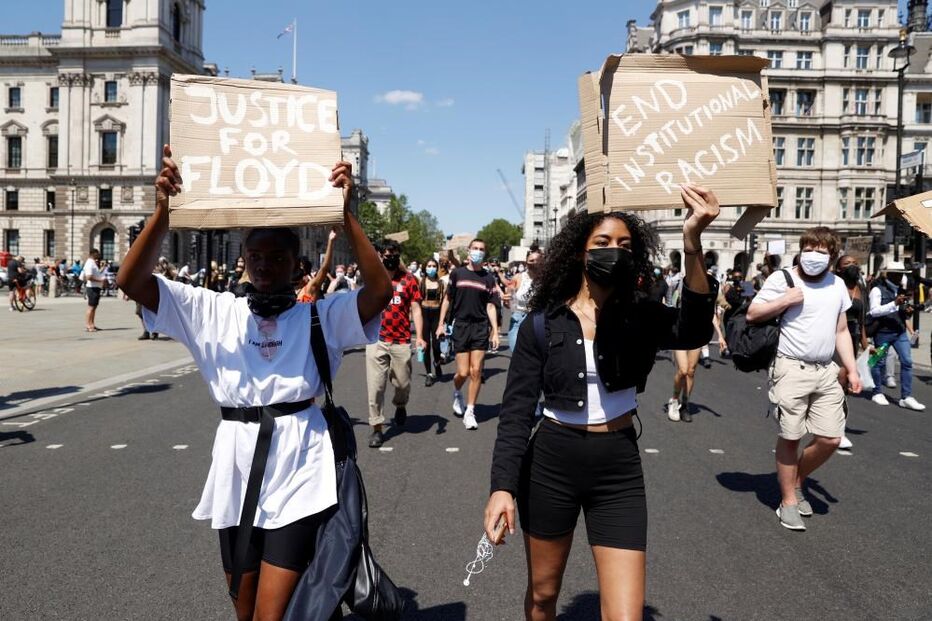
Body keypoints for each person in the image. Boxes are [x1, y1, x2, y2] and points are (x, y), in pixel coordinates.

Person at [117, 145, 390, 620]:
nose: (265, 266)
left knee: (271, 614)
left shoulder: (319, 316)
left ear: (296, 264)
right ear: (243, 259)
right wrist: (163, 212)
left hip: (299, 465)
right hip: (236, 464)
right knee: (242, 610)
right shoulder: (212, 310)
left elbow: (380, 292)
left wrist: (347, 218)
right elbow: (131, 281)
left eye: (278, 258)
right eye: (256, 256)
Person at [484, 184, 720, 621]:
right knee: (542, 596)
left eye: (625, 245)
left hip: (618, 467)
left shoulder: (641, 315)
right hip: (551, 463)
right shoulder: (542, 324)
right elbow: (516, 413)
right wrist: (502, 488)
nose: (615, 251)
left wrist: (692, 241)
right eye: (603, 243)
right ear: (580, 252)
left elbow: (694, 329)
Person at [747, 227, 862, 531]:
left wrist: (851, 368)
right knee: (791, 435)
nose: (813, 255)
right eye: (809, 248)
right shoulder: (783, 279)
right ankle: (788, 501)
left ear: (831, 256)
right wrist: (784, 300)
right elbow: (753, 313)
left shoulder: (837, 285)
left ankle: (797, 480)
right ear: (800, 250)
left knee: (831, 438)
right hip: (790, 368)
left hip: (825, 369)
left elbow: (840, 331)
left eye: (821, 251)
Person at [366, 240, 426, 448]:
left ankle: (400, 405)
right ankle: (377, 428)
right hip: (376, 339)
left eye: (395, 254)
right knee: (376, 387)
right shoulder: (372, 278)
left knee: (402, 383)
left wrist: (419, 336)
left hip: (401, 340)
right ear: (380, 255)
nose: (391, 257)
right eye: (387, 254)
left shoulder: (409, 280)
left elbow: (416, 309)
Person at [436, 239, 499, 430]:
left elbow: (490, 305)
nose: (478, 252)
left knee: (476, 370)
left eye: (481, 249)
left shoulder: (488, 278)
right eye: (475, 249)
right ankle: (457, 392)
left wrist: (495, 331)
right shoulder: (458, 274)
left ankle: (470, 411)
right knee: (463, 372)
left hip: (480, 327)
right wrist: (441, 324)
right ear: (469, 251)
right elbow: (447, 299)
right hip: (461, 325)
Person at [867, 261, 925, 410]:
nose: (901, 277)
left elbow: (902, 312)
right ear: (889, 274)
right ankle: (877, 391)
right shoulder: (877, 290)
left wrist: (907, 311)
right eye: (898, 274)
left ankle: (906, 397)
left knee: (907, 361)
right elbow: (873, 311)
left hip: (899, 332)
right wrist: (894, 303)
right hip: (883, 333)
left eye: (902, 274)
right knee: (878, 362)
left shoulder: (901, 290)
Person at [835, 255, 868, 450]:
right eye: (847, 264)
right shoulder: (834, 286)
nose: (852, 266)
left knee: (844, 383)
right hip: (834, 337)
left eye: (855, 263)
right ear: (838, 268)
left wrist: (865, 344)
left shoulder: (861, 289)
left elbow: (862, 319)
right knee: (839, 380)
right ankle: (837, 429)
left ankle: (837, 427)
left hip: (853, 338)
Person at [507, 248, 542, 352]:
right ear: (526, 262)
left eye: (538, 260)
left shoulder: (547, 280)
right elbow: (510, 302)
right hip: (519, 318)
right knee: (517, 353)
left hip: (538, 319)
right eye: (531, 260)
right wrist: (507, 300)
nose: (535, 263)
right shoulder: (517, 278)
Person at [419, 257, 445, 386]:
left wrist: (443, 321)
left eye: (434, 266)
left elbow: (445, 301)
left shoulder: (441, 283)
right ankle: (429, 373)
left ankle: (437, 363)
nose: (431, 268)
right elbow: (416, 301)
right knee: (426, 345)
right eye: (429, 266)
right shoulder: (421, 282)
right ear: (425, 268)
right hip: (424, 313)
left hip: (436, 313)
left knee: (436, 344)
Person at [296, 228, 336, 303]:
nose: (306, 277)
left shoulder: (309, 288)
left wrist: (330, 242)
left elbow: (324, 269)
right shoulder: (286, 292)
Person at [81, 249, 106, 331]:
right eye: (97, 253)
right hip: (92, 288)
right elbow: (89, 277)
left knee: (94, 307)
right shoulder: (89, 263)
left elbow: (97, 273)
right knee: (91, 307)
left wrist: (102, 268)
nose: (98, 255)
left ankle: (92, 324)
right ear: (93, 254)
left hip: (96, 287)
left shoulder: (92, 263)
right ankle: (88, 325)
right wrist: (101, 280)